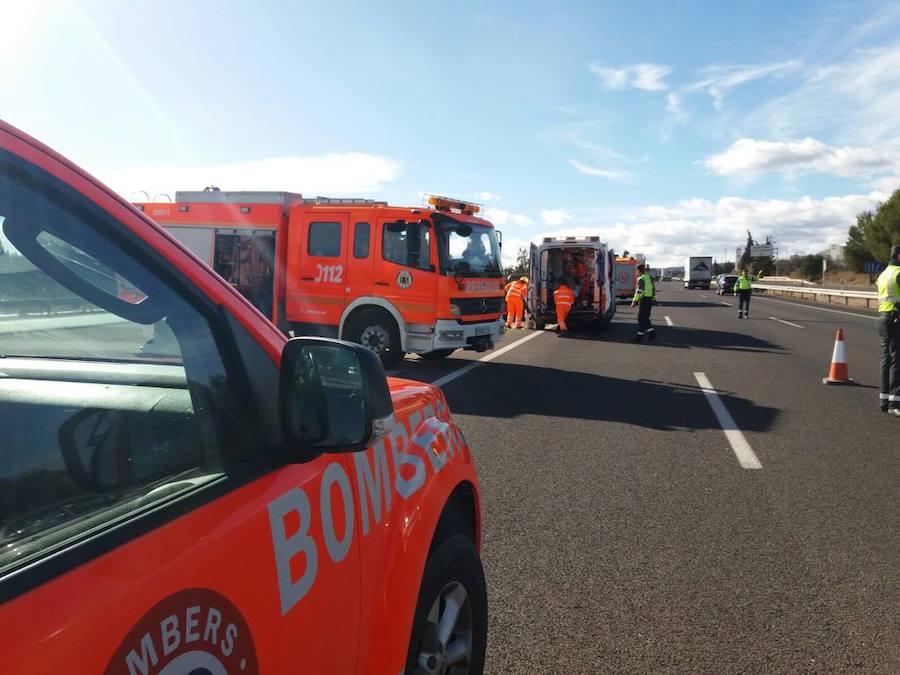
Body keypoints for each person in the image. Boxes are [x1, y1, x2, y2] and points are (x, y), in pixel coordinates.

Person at [876, 244, 900, 417]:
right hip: (895, 317)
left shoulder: (884, 274)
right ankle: (895, 402)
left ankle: (884, 400)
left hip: (882, 317)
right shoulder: (899, 273)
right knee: (897, 361)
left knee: (886, 359)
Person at [630, 264, 655, 342]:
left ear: (639, 271)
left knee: (641, 318)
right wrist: (653, 298)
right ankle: (651, 333)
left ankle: (640, 336)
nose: (635, 273)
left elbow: (639, 291)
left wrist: (634, 301)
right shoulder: (649, 277)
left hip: (644, 300)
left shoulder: (641, 279)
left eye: (636, 271)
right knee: (645, 318)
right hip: (649, 300)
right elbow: (653, 289)